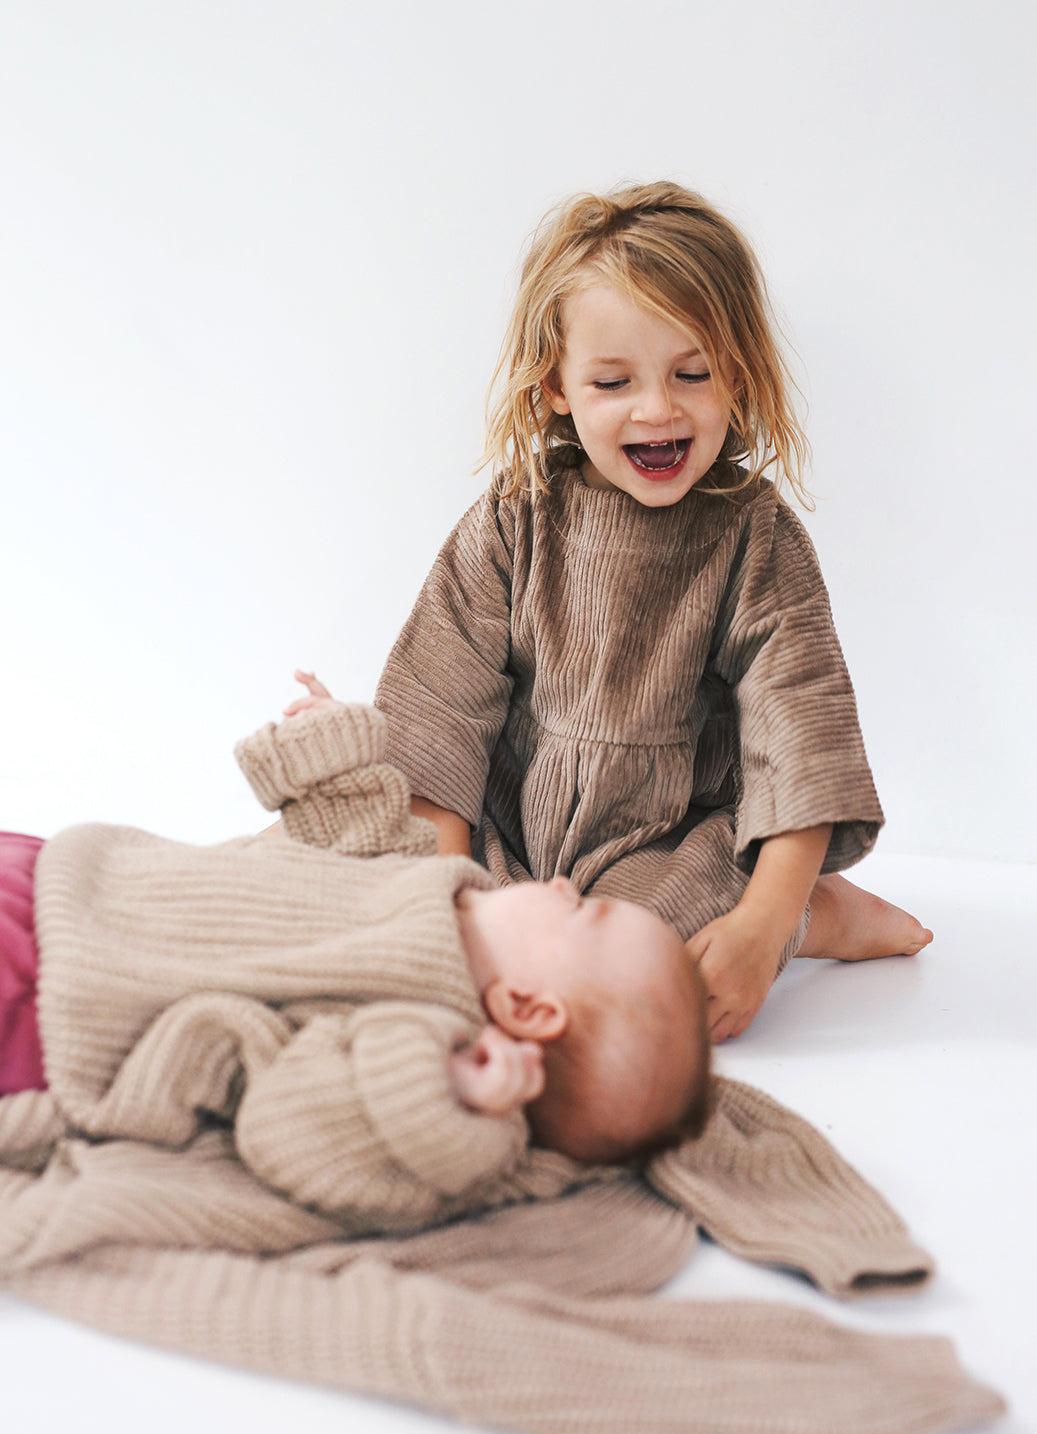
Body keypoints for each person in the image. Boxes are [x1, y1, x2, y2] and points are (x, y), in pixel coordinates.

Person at [372, 181, 933, 1045]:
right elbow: (438, 713)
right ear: (554, 386)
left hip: (667, 843)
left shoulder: (751, 533)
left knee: (643, 973)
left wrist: (755, 926)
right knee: (367, 882)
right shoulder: (514, 520)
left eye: (691, 373)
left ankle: (805, 914)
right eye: (612, 380)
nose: (657, 408)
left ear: (736, 373)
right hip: (510, 832)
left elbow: (799, 729)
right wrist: (454, 909)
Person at [0, 697, 710, 1237]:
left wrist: (451, 1088)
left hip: (58, 990)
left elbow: (292, 1125)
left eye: (584, 912)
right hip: (69, 876)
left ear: (527, 1006)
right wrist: (330, 740)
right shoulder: (437, 883)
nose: (565, 885)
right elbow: (348, 827)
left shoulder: (410, 1034)